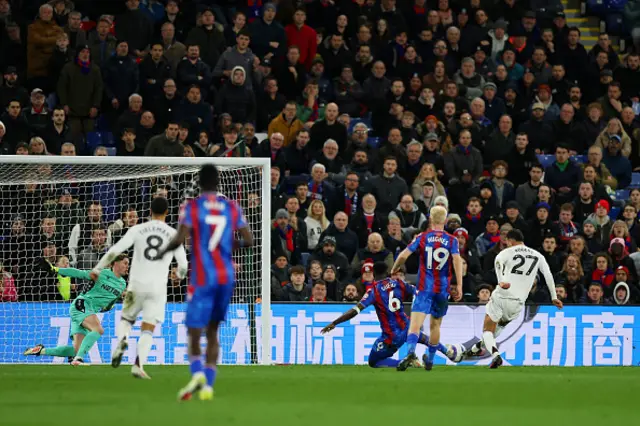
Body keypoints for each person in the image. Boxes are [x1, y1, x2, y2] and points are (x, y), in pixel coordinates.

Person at [154, 165, 253, 401]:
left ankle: (197, 372)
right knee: (213, 331)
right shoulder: (231, 207)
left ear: (199, 183)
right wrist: (229, 247)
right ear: (219, 182)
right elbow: (249, 240)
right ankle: (208, 386)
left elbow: (179, 238)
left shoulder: (192, 206)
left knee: (194, 331)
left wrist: (161, 254)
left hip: (202, 276)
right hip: (226, 276)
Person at [92, 197, 188, 379]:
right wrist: (179, 276)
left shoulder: (138, 229)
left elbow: (114, 250)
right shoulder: (174, 234)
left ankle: (123, 340)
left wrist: (97, 268)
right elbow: (183, 265)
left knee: (127, 320)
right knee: (148, 327)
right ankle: (138, 365)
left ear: (150, 211)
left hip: (136, 284)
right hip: (158, 288)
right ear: (167, 213)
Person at [321, 262, 456, 368]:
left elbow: (355, 311)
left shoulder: (373, 291)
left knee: (373, 361)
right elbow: (418, 293)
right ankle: (448, 352)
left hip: (391, 336)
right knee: (423, 338)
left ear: (373, 274)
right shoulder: (399, 283)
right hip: (407, 326)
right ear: (387, 272)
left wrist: (334, 323)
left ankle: (403, 362)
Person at [464, 229, 563, 368]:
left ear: (510, 240)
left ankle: (495, 355)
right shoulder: (537, 255)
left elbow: (498, 262)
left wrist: (501, 281)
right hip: (518, 304)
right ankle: (475, 349)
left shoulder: (506, 252)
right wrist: (554, 296)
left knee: (488, 329)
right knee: (496, 329)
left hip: (503, 296)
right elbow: (548, 275)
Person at [23, 254, 129, 365]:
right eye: (125, 263)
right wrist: (56, 269)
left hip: (88, 311)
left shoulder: (122, 284)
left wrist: (108, 307)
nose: (127, 266)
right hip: (82, 304)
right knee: (98, 329)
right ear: (115, 263)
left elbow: (109, 305)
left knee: (76, 350)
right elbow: (78, 273)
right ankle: (78, 359)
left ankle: (41, 350)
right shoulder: (102, 273)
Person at [392, 205, 463, 371]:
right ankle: (430, 360)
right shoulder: (452, 240)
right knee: (435, 325)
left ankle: (410, 353)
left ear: (430, 219)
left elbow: (403, 255)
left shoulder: (423, 237)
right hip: (442, 289)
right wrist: (459, 285)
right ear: (445, 220)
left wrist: (394, 268)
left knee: (415, 325)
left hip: (424, 288)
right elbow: (457, 261)